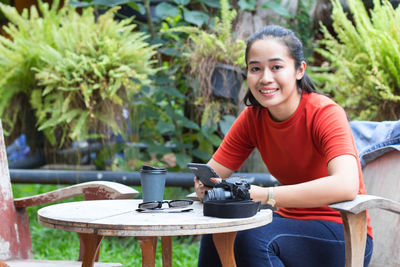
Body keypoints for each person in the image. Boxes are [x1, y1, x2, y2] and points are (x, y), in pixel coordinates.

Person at [194, 25, 373, 267]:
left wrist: (267, 195)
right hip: (285, 223)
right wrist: (205, 187)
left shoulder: (324, 113)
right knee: (219, 230)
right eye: (255, 68)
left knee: (252, 237)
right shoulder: (253, 118)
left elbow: (346, 185)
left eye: (276, 67)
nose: (265, 78)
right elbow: (213, 173)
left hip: (341, 231)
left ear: (299, 70)